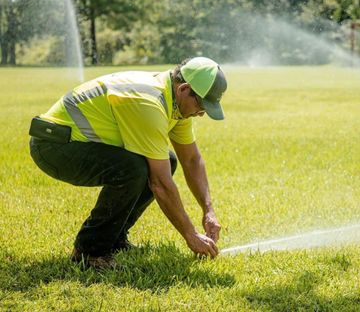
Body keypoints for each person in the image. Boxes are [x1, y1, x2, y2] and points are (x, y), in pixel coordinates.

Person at [29, 57, 226, 269]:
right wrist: (191, 235)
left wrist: (208, 211)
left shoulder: (175, 104)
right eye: (201, 104)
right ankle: (90, 251)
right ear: (185, 89)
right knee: (133, 169)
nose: (202, 113)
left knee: (166, 161)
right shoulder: (148, 101)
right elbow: (160, 182)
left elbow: (192, 160)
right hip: (53, 145)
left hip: (67, 142)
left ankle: (114, 240)